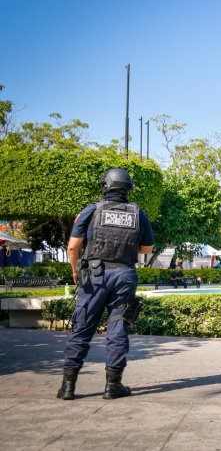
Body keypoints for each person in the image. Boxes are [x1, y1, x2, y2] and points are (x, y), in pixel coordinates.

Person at [57, 168, 154, 401]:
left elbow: (73, 247)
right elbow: (147, 249)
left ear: (105, 186)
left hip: (95, 276)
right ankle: (113, 385)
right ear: (127, 189)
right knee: (117, 328)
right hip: (124, 274)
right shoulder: (138, 213)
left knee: (82, 329)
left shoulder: (92, 210)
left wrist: (74, 271)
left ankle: (68, 386)